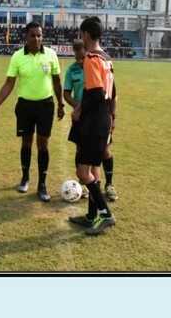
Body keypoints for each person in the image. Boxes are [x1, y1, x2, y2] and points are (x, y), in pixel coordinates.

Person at [0, 21, 65, 202]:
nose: (37, 38)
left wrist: (60, 104)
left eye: (39, 35)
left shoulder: (51, 55)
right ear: (26, 37)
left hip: (46, 105)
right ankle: (25, 177)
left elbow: (57, 82)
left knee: (43, 144)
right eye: (33, 35)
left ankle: (42, 184)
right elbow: (9, 83)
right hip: (25, 106)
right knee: (26, 143)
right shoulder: (17, 57)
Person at [68, 17, 116, 235]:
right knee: (90, 168)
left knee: (83, 170)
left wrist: (79, 110)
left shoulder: (91, 58)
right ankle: (91, 216)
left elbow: (95, 92)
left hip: (94, 120)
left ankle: (105, 215)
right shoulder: (107, 58)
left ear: (86, 34)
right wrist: (112, 117)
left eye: (81, 34)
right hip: (103, 117)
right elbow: (112, 92)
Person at [64, 40, 118, 202]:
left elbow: (113, 93)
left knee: (104, 152)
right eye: (77, 57)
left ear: (86, 50)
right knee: (81, 151)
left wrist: (113, 116)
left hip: (98, 118)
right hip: (82, 118)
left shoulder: (98, 63)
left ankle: (108, 185)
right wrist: (78, 107)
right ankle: (87, 185)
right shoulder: (72, 70)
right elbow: (67, 93)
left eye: (82, 56)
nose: (80, 61)